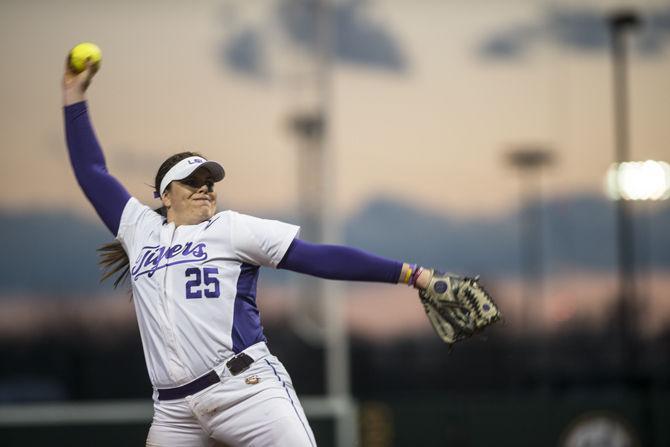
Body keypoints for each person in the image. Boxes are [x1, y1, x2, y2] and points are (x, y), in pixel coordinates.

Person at [62, 60, 432, 447]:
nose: (205, 188)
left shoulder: (231, 229)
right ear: (165, 195)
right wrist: (73, 95)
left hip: (245, 389)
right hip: (174, 413)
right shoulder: (139, 231)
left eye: (209, 181)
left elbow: (317, 258)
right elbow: (92, 171)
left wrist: (412, 274)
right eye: (192, 182)